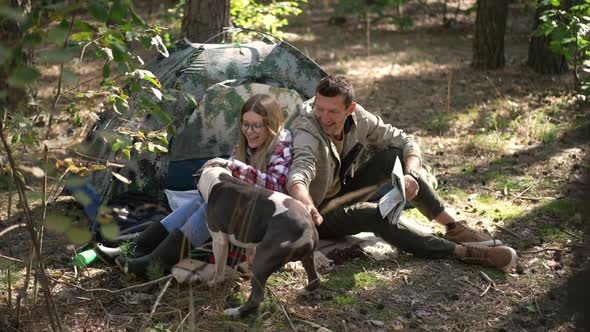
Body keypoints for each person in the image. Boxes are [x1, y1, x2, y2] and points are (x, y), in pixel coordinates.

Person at [287, 75, 518, 270]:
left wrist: (411, 174)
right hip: (318, 213)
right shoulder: (306, 128)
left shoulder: (360, 118)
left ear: (350, 109)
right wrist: (304, 200)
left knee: (393, 157)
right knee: (373, 214)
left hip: (344, 192)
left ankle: (454, 228)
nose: (324, 117)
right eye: (320, 109)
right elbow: (300, 170)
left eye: (332, 112)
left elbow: (407, 141)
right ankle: (461, 251)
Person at [113, 94, 293, 277]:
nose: (249, 131)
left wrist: (232, 166)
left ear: (271, 125)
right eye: (245, 124)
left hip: (267, 221)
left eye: (257, 125)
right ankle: (140, 247)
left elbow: (276, 186)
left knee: (213, 207)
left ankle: (156, 263)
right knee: (202, 200)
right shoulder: (245, 145)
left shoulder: (281, 145)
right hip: (246, 211)